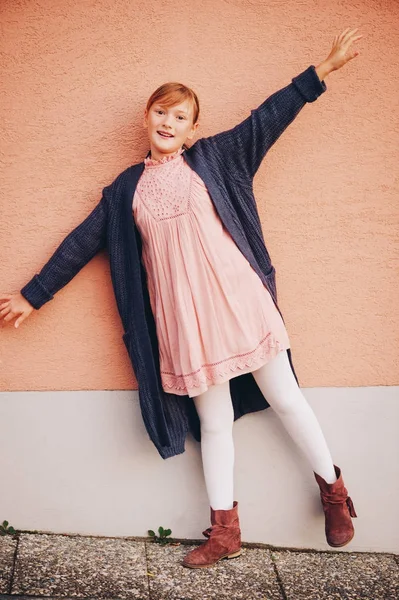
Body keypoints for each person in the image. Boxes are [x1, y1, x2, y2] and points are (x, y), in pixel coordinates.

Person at [0, 27, 362, 569]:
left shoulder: (217, 158)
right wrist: (33, 295)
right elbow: (81, 241)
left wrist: (321, 72)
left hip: (240, 305)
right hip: (185, 326)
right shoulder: (125, 190)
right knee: (213, 424)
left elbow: (268, 118)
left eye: (180, 117)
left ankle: (335, 494)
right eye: (160, 113)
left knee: (287, 399)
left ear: (194, 130)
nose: (168, 123)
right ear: (147, 118)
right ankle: (224, 532)